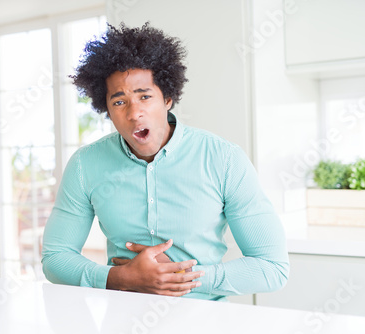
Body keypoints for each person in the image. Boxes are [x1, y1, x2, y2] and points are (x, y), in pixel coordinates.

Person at [42, 23, 289, 301]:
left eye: (145, 97)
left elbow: (272, 267)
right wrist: (119, 278)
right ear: (107, 109)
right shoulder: (85, 165)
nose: (135, 113)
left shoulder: (224, 160)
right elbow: (55, 258)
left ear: (167, 98)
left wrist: (177, 279)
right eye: (119, 102)